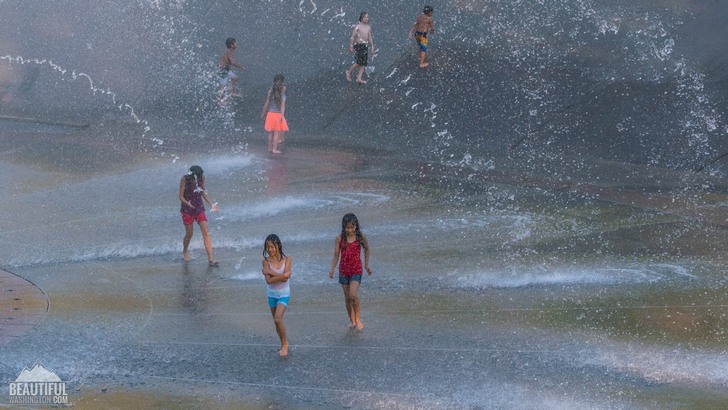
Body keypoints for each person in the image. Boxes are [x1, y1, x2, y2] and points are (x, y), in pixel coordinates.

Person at [328, 213, 372, 330]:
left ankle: (358, 319)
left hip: (356, 270)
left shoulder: (360, 237)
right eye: (347, 227)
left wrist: (366, 265)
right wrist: (332, 269)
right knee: (347, 297)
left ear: (356, 226)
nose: (350, 230)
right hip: (343, 271)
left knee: (353, 294)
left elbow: (367, 249)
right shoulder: (340, 238)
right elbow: (336, 255)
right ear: (344, 227)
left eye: (352, 227)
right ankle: (351, 320)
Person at [179, 165, 220, 266]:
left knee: (206, 232)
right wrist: (187, 203)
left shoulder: (202, 177)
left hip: (199, 208)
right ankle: (185, 251)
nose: (198, 177)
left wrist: (212, 204)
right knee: (189, 233)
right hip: (187, 209)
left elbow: (202, 192)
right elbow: (180, 196)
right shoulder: (184, 179)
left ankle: (210, 257)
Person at [262, 234, 292, 357]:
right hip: (272, 294)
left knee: (277, 318)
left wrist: (270, 272)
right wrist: (282, 276)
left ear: (278, 245)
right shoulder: (265, 261)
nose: (270, 249)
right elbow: (269, 281)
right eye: (268, 247)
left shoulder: (287, 259)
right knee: (276, 322)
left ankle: (285, 345)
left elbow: (286, 279)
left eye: (272, 247)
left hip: (284, 293)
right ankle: (283, 342)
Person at [260, 74, 289, 154]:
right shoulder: (282, 93)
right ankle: (274, 149)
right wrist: (282, 116)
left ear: (273, 81)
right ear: (282, 81)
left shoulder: (270, 91)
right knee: (276, 133)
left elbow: (266, 104)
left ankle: (269, 148)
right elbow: (282, 106)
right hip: (277, 115)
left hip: (270, 114)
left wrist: (263, 113)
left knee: (270, 133)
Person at [345, 12, 376, 84]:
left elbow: (370, 37)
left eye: (367, 17)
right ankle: (349, 72)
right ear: (361, 18)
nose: (366, 18)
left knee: (364, 63)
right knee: (359, 62)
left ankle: (359, 78)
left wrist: (372, 46)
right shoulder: (357, 26)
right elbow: (352, 37)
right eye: (365, 17)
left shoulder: (368, 27)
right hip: (359, 45)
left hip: (365, 45)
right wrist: (351, 45)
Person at [218, 37, 244, 101]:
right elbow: (233, 62)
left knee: (235, 78)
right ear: (232, 45)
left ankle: (233, 92)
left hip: (226, 70)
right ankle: (220, 100)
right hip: (223, 70)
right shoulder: (229, 51)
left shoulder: (230, 51)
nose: (237, 44)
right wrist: (240, 66)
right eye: (235, 43)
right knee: (223, 86)